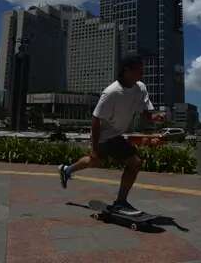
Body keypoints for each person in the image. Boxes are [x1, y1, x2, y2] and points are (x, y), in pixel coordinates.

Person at [58, 54, 154, 215]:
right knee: (134, 162)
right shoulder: (111, 92)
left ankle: (66, 170)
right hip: (104, 136)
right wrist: (94, 148)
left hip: (116, 135)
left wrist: (155, 117)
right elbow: (95, 120)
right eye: (138, 70)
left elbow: (145, 112)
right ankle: (120, 202)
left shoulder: (140, 88)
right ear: (126, 71)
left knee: (94, 162)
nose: (142, 74)